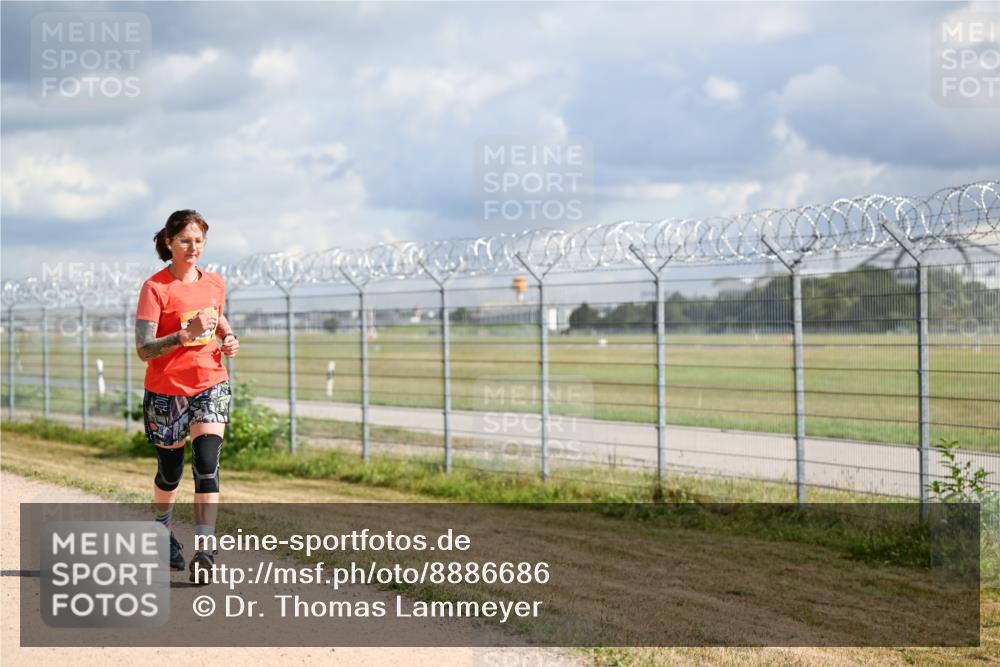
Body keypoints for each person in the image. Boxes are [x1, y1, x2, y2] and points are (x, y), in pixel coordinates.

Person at [134, 210, 240, 584]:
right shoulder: (155, 288)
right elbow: (144, 349)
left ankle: (205, 550)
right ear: (169, 242)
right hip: (166, 392)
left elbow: (216, 317)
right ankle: (162, 533)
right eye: (184, 241)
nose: (192, 247)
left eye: (198, 241)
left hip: (210, 382)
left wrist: (227, 336)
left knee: (207, 467)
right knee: (170, 473)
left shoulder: (214, 282)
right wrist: (183, 335)